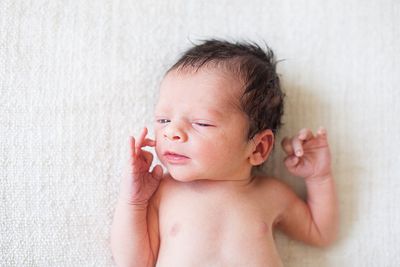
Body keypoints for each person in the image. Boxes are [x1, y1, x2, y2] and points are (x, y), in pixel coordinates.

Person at [110, 39, 338, 267]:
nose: (171, 132)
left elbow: (320, 234)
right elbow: (134, 263)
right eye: (163, 120)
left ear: (258, 147)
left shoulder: (271, 194)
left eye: (202, 123)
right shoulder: (164, 193)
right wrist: (133, 202)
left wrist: (319, 177)